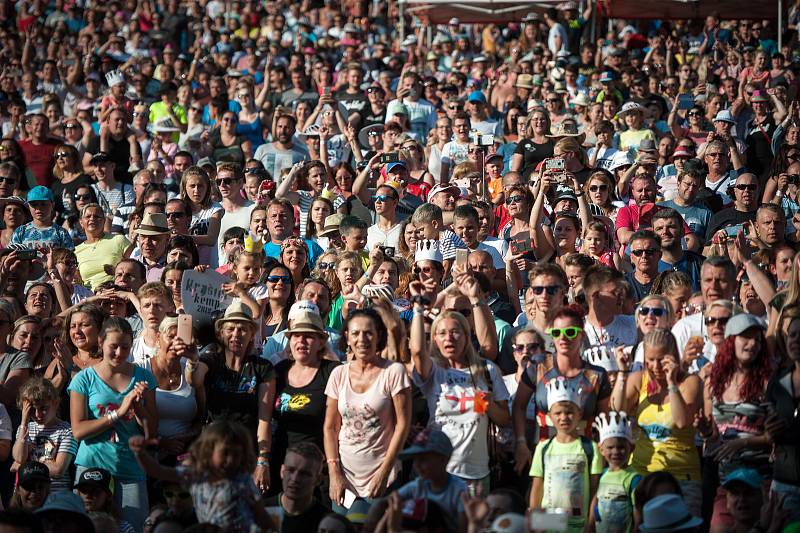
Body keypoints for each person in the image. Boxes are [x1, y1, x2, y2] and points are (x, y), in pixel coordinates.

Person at [410, 274, 510, 494]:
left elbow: (504, 419)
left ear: (467, 335)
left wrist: (488, 404)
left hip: (475, 476)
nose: (449, 338)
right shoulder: (434, 371)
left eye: (456, 332)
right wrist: (418, 307)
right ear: (434, 339)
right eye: (442, 333)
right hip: (437, 473)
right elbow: (417, 351)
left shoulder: (486, 370)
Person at [68, 317, 158, 531]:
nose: (119, 353)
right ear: (100, 343)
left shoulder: (144, 377)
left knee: (133, 528)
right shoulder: (84, 379)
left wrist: (138, 408)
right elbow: (79, 431)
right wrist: (118, 414)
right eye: (113, 346)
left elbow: (151, 432)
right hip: (92, 467)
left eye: (125, 347)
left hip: (130, 468)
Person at [323, 308, 412, 510]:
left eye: (368, 333)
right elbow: (330, 427)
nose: (362, 339)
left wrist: (384, 472)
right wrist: (334, 472)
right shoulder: (338, 374)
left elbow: (402, 425)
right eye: (355, 333)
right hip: (344, 478)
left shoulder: (393, 372)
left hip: (383, 476)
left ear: (379, 335)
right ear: (346, 337)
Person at [611, 329, 704, 517]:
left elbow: (681, 421)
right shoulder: (639, 380)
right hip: (643, 474)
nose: (655, 366)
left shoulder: (690, 382)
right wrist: (622, 372)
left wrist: (671, 383)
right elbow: (617, 411)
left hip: (681, 477)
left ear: (673, 356)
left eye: (661, 359)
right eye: (650, 359)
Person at [129, 420, 273, 532]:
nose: (229, 460)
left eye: (236, 455)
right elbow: (158, 471)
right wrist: (140, 453)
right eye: (224, 453)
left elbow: (260, 513)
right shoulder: (197, 475)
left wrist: (272, 529)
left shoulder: (242, 480)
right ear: (209, 451)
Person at [193, 302, 275, 492]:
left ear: (252, 334)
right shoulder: (210, 360)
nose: (236, 334)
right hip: (212, 451)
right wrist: (191, 360)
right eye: (230, 329)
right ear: (221, 333)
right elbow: (195, 380)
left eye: (242, 329)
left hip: (245, 453)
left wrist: (263, 461)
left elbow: (264, 419)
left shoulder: (263, 368)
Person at [271, 307, 340, 491]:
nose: (301, 340)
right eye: (296, 335)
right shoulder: (279, 371)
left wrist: (334, 469)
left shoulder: (333, 371)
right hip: (283, 465)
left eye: (308, 336)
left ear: (320, 343)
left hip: (318, 469)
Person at [528, 379, 603, 532]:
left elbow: (595, 490)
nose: (564, 418)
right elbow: (537, 487)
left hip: (578, 524)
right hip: (549, 524)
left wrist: (590, 524)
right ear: (549, 415)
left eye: (569, 412)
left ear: (579, 413)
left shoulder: (591, 448)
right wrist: (535, 523)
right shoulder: (543, 448)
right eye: (558, 413)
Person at [395, 428, 467, 533]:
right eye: (415, 459)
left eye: (423, 459)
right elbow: (389, 501)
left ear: (443, 459)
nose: (417, 465)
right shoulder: (418, 485)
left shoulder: (460, 491)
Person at [12, 377, 76, 491]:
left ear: (55, 403)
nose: (38, 414)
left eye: (43, 408)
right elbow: (19, 457)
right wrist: (24, 422)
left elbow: (58, 470)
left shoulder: (67, 431)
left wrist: (24, 466)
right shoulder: (25, 429)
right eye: (32, 410)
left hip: (55, 494)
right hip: (27, 493)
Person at [586, 412, 641, 533]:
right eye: (610, 448)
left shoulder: (633, 478)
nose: (616, 452)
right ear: (601, 449)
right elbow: (595, 501)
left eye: (621, 447)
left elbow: (638, 512)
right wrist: (590, 526)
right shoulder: (602, 475)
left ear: (631, 448)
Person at [263, 442, 330, 532]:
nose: (295, 479)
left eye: (304, 474)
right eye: (290, 470)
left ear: (318, 479)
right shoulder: (260, 512)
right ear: (282, 471)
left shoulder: (327, 523)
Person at [74, 204, 131, 290]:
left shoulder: (118, 240)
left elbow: (134, 265)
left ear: (104, 221)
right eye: (88, 216)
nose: (92, 219)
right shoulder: (76, 251)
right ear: (81, 222)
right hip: (89, 298)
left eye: (97, 216)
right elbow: (77, 282)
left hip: (115, 293)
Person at [10, 186, 73, 251]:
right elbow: (11, 256)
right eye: (34, 204)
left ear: (52, 205)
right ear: (28, 206)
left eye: (43, 204)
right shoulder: (20, 231)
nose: (39, 208)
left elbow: (70, 258)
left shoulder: (61, 233)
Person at [74, 467, 136, 533]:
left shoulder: (123, 528)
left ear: (109, 495)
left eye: (95, 491)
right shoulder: (70, 524)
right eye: (84, 490)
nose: (88, 495)